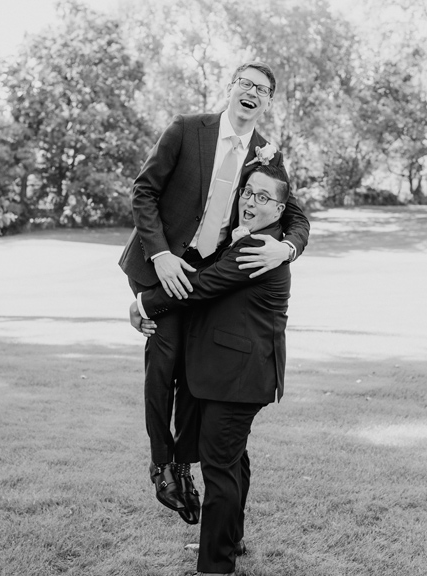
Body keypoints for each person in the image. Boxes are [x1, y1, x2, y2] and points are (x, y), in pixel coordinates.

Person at [118, 61, 309, 524]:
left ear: (267, 102)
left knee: (195, 377)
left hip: (212, 279)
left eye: (261, 90)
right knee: (163, 369)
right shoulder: (187, 129)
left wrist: (286, 249)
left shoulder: (268, 153)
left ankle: (184, 465)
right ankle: (163, 466)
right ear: (231, 89)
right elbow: (144, 192)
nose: (251, 92)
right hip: (163, 266)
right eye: (245, 83)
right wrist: (161, 255)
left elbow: (297, 217)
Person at [129, 163, 294, 576]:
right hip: (239, 373)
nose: (251, 202)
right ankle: (229, 540)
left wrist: (144, 305)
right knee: (234, 461)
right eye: (249, 193)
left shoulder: (259, 248)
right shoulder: (251, 240)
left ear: (280, 209)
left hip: (237, 376)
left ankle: (215, 567)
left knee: (220, 467)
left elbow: (201, 285)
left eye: (263, 198)